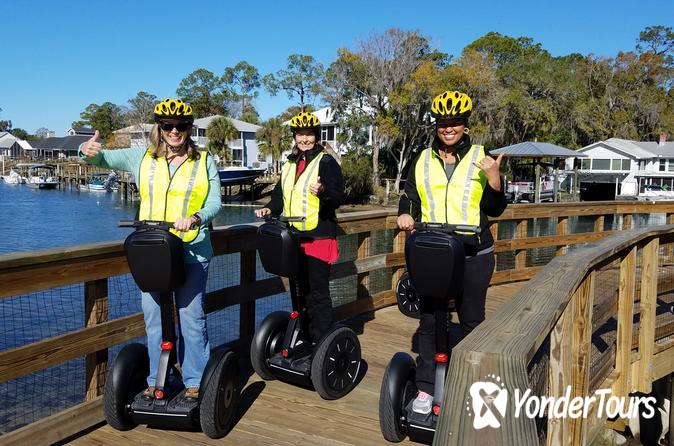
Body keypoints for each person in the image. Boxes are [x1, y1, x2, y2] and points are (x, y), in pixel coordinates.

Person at [80, 98, 222, 401]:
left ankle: (195, 381)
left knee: (191, 317)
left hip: (192, 249)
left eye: (181, 126)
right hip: (153, 251)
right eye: (168, 125)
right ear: (160, 127)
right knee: (154, 317)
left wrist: (196, 217)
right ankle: (159, 378)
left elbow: (215, 202)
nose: (174, 131)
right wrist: (85, 150)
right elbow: (103, 158)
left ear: (189, 128)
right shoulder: (141, 157)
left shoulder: (203, 160)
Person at [397, 90, 507, 414]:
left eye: (455, 122)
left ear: (465, 124)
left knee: (471, 319)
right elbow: (410, 196)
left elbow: (495, 208)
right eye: (443, 122)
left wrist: (495, 180)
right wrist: (404, 214)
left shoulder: (482, 156)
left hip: (474, 253)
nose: (448, 128)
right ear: (436, 125)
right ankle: (426, 388)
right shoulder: (422, 158)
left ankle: (474, 382)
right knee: (430, 320)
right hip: (435, 251)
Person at [255, 111, 344, 346]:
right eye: (300, 134)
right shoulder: (289, 164)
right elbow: (280, 196)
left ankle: (322, 343)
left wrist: (323, 192)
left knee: (318, 293)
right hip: (294, 238)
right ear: (294, 136)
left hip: (318, 237)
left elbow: (338, 198)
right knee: (300, 291)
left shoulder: (326, 162)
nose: (304, 139)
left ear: (316, 136)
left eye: (309, 134)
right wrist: (269, 209)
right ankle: (305, 337)